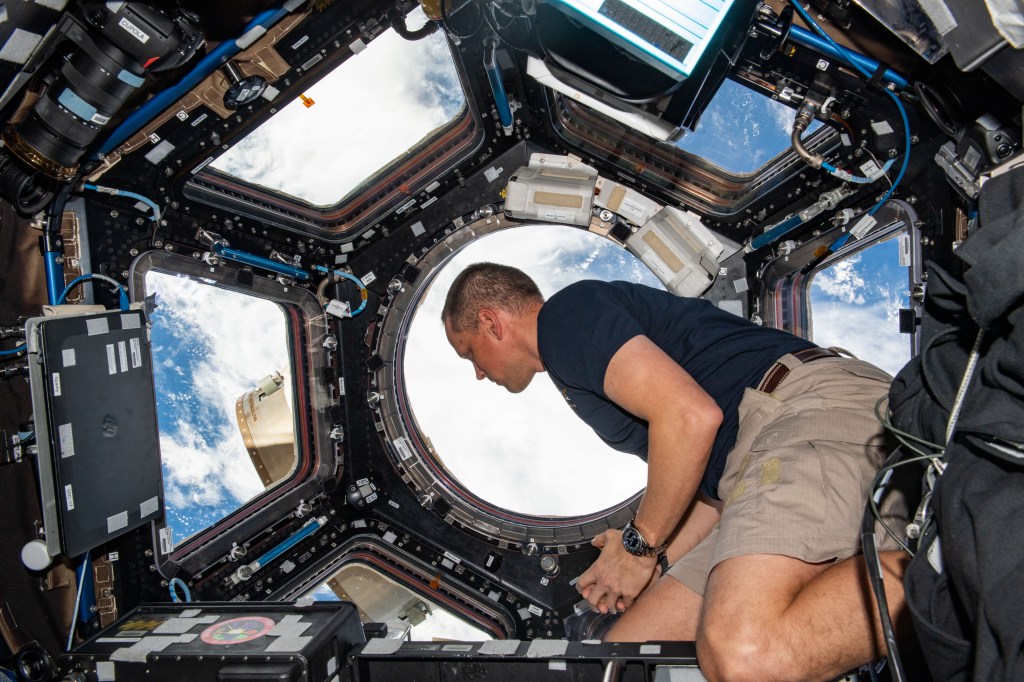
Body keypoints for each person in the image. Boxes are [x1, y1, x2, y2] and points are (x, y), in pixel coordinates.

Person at [442, 262, 910, 681]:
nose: (478, 374)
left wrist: (638, 546)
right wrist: (657, 561)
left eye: (469, 354)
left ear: (490, 321)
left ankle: (948, 569)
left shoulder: (565, 317)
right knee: (614, 662)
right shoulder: (576, 368)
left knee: (746, 653)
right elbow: (710, 485)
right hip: (749, 470)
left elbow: (690, 417)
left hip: (804, 411)